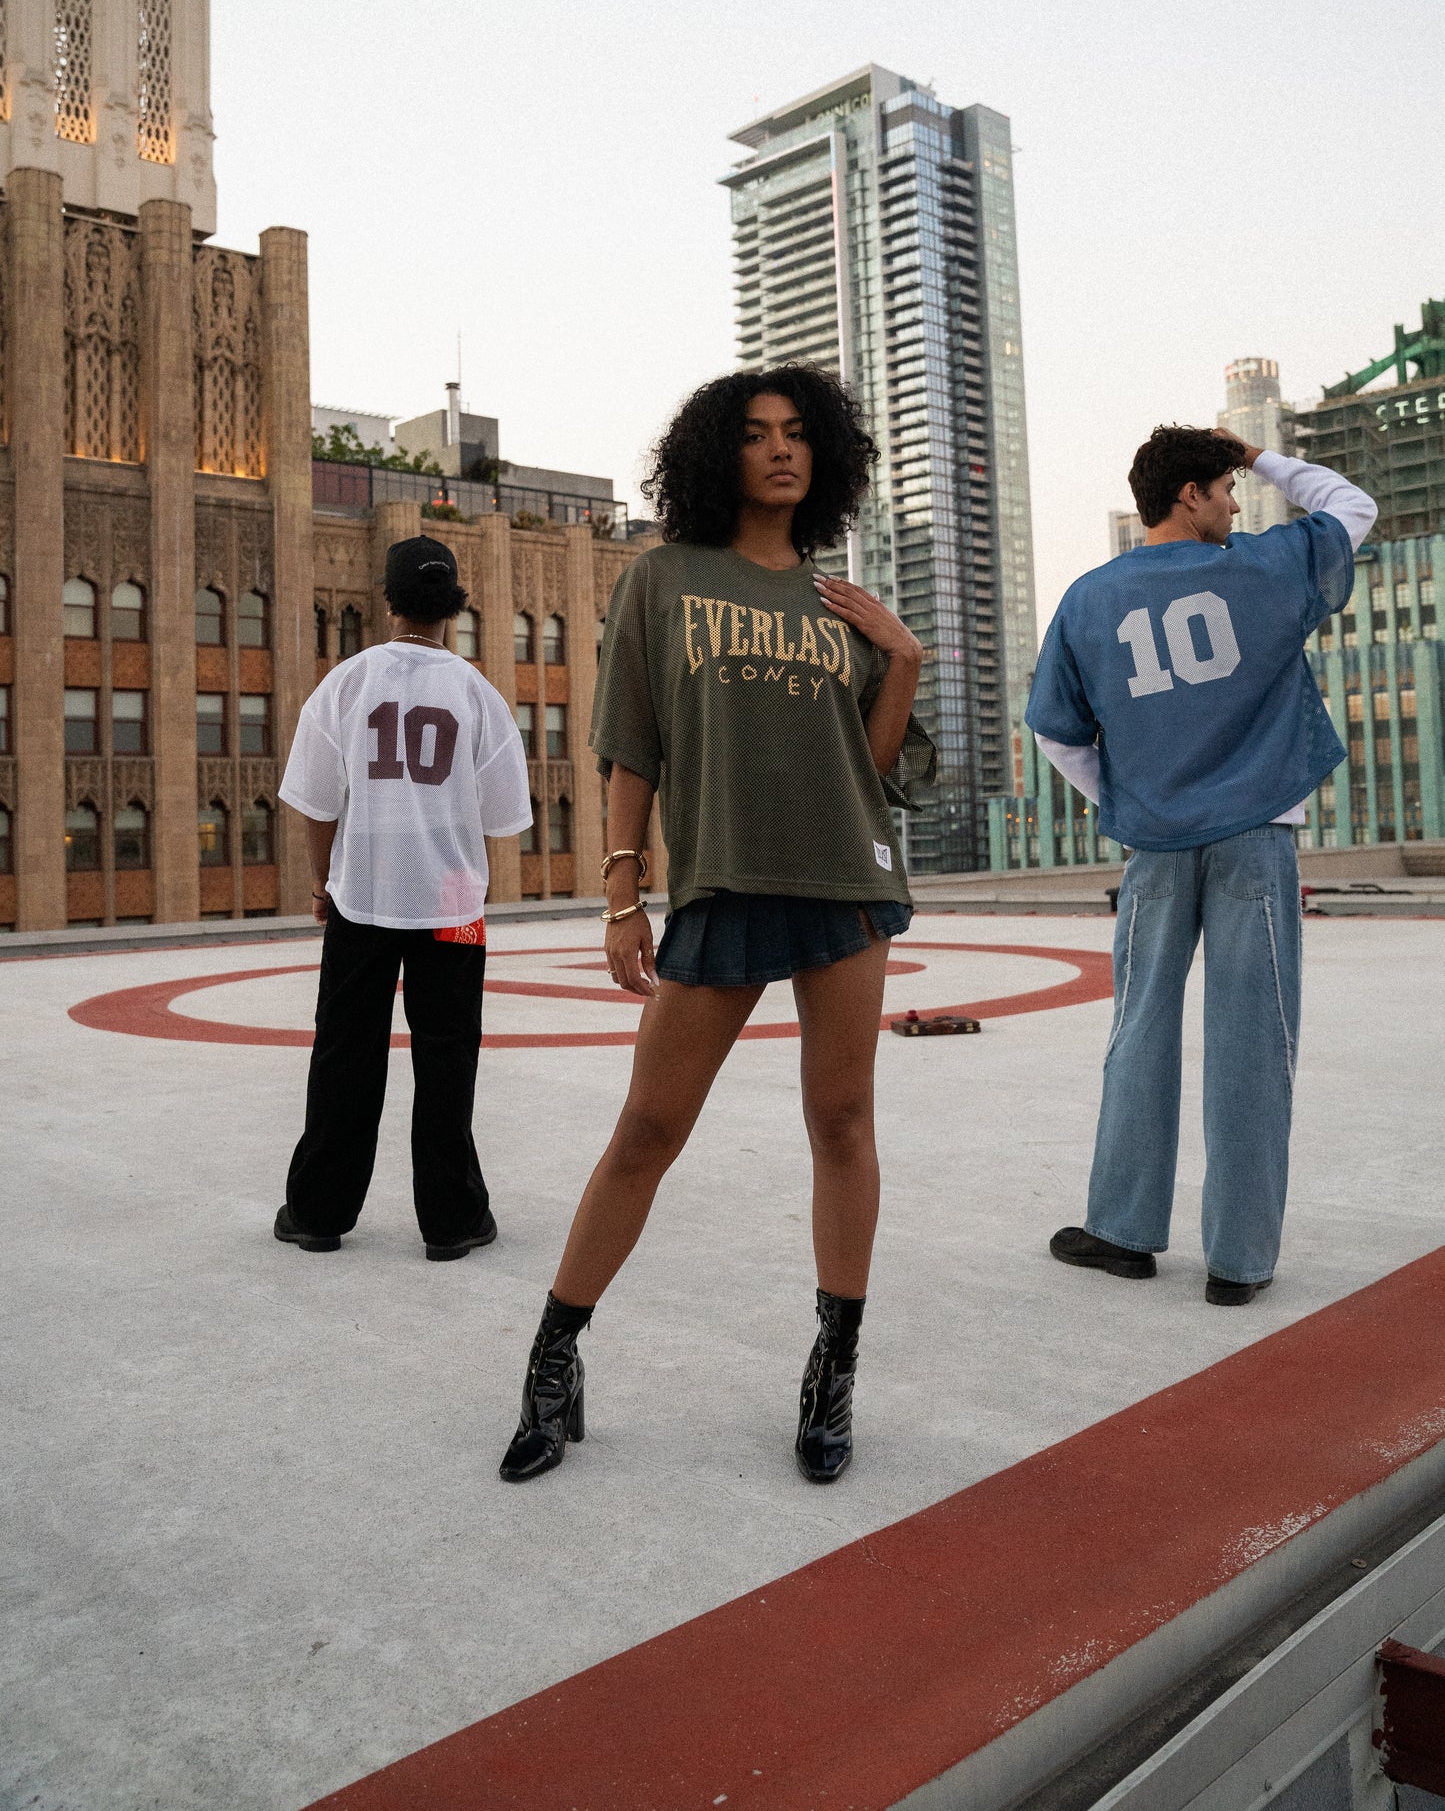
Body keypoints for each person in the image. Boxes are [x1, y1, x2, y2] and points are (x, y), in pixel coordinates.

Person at [497, 365, 935, 1485]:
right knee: (647, 1128)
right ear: (717, 454)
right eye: (754, 435)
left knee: (841, 1122)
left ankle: (831, 1372)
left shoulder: (838, 602)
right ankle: (554, 1360)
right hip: (723, 881)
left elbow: (867, 770)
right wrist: (618, 889)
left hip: (843, 877)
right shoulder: (664, 579)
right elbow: (629, 744)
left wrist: (904, 659)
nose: (780, 450)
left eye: (797, 434)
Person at [1027, 430, 1376, 1304]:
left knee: (1139, 1027)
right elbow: (1351, 507)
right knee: (1253, 1041)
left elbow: (1056, 732)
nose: (1233, 502)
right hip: (1254, 831)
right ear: (1188, 495)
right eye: (1223, 487)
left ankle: (1122, 1229)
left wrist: (1128, 795)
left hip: (1154, 837)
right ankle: (1238, 1260)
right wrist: (1260, 452)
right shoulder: (1261, 568)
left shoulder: (1087, 597)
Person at [273, 535, 531, 1260]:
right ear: (456, 603)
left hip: (363, 894)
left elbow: (317, 802)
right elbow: (501, 815)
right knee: (448, 1057)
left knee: (344, 1053)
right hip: (452, 905)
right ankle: (451, 1221)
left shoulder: (346, 683)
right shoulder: (478, 692)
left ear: (386, 600)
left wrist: (322, 881)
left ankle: (318, 1213)